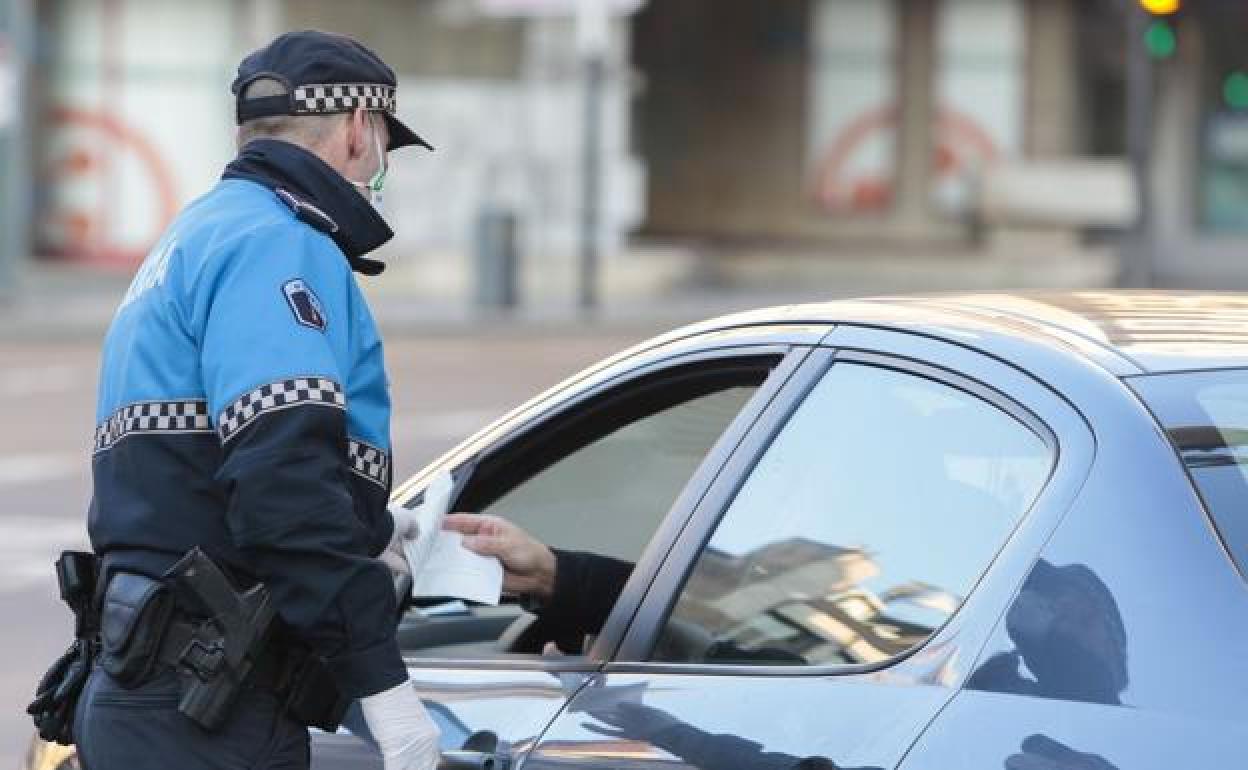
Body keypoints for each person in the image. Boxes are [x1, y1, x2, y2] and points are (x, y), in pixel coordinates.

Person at [72, 31, 440, 770]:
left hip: (145, 689)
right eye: (385, 146)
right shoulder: (280, 244)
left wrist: (370, 520)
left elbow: (191, 471)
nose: (380, 166)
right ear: (359, 128)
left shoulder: (192, 238)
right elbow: (283, 487)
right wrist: (384, 688)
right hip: (208, 709)